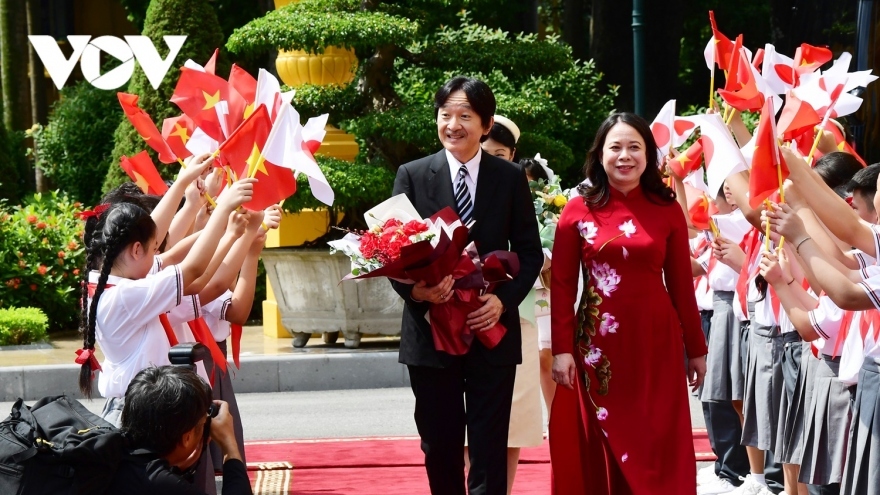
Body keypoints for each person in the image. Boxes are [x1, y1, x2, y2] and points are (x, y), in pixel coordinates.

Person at [390, 76, 543, 495]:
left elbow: (531, 252)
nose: (453, 125)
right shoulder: (413, 175)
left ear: (486, 124)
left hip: (488, 329)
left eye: (465, 116)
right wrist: (416, 292)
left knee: (490, 445)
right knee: (438, 442)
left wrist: (503, 302)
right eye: (445, 115)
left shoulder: (509, 178)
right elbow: (388, 251)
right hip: (431, 331)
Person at [549, 112, 708, 494]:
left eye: (634, 147)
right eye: (615, 147)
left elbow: (682, 287)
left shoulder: (667, 207)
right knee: (606, 435)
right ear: (599, 155)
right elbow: (561, 284)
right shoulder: (577, 209)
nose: (625, 156)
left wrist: (697, 350)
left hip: (657, 343)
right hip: (597, 347)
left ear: (649, 155)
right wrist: (560, 350)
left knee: (656, 435)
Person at [459, 117, 543, 495]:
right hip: (455, 316)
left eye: (501, 155)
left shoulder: (524, 193)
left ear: (513, 156)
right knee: (462, 428)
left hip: (513, 321)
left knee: (510, 427)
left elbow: (530, 255)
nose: (491, 160)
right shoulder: (449, 181)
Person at [108, 365, 252, 495]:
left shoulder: (112, 455)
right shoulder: (162, 484)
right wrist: (229, 445)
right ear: (187, 437)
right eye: (202, 422)